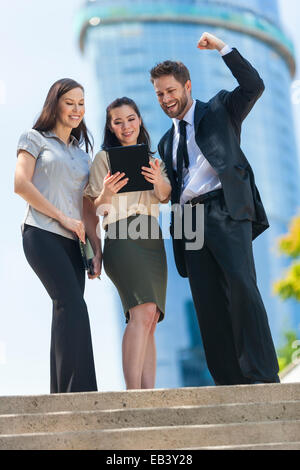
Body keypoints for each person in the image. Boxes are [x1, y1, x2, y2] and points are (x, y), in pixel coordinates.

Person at [150, 32, 280, 386]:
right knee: (207, 304)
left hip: (224, 207)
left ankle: (264, 376)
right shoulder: (166, 142)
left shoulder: (221, 108)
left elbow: (253, 85)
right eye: (159, 94)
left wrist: (223, 47)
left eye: (171, 91)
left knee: (242, 288)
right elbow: (174, 190)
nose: (166, 99)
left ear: (187, 86)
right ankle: (228, 381)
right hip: (189, 221)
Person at [14, 78, 100, 393]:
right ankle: (80, 392)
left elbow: (87, 205)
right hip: (41, 233)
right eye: (70, 102)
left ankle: (61, 393)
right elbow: (21, 184)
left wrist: (96, 246)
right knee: (72, 305)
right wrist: (63, 217)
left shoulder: (82, 154)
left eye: (81, 103)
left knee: (64, 309)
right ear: (55, 104)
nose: (77, 109)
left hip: (74, 243)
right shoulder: (34, 138)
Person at [84, 97, 171, 390]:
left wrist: (157, 179)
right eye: (118, 121)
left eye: (131, 119)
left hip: (152, 237)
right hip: (121, 235)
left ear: (139, 120)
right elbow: (95, 207)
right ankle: (133, 394)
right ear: (110, 127)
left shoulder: (153, 158)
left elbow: (165, 195)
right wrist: (107, 193)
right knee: (141, 312)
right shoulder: (104, 159)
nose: (126, 126)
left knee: (151, 319)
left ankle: (149, 394)